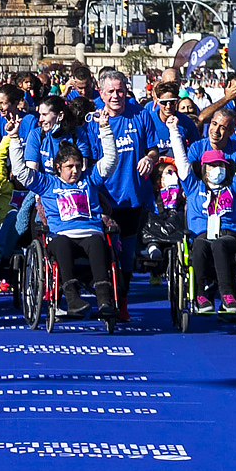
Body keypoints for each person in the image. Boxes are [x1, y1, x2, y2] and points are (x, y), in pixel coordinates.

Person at [7, 112, 119, 318]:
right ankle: (72, 298)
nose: (75, 171)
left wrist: (105, 127)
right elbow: (21, 172)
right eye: (69, 167)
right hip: (61, 235)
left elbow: (111, 160)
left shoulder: (90, 179)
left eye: (77, 166)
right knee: (62, 244)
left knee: (98, 242)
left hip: (89, 231)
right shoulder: (47, 183)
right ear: (58, 168)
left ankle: (104, 299)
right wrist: (14, 139)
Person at [85, 71, 158, 322]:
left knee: (126, 256)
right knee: (101, 253)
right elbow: (87, 160)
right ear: (101, 93)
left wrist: (149, 158)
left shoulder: (141, 115)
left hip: (131, 198)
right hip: (102, 199)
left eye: (120, 90)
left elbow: (153, 148)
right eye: (111, 91)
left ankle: (123, 302)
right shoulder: (93, 120)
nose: (116, 96)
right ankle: (104, 299)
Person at [168, 122, 236, 314]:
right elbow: (181, 162)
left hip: (228, 237)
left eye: (220, 165)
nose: (216, 169)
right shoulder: (193, 187)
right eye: (212, 166)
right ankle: (201, 294)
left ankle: (227, 294)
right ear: (204, 169)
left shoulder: (233, 189)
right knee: (200, 244)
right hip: (201, 236)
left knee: (219, 244)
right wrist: (174, 131)